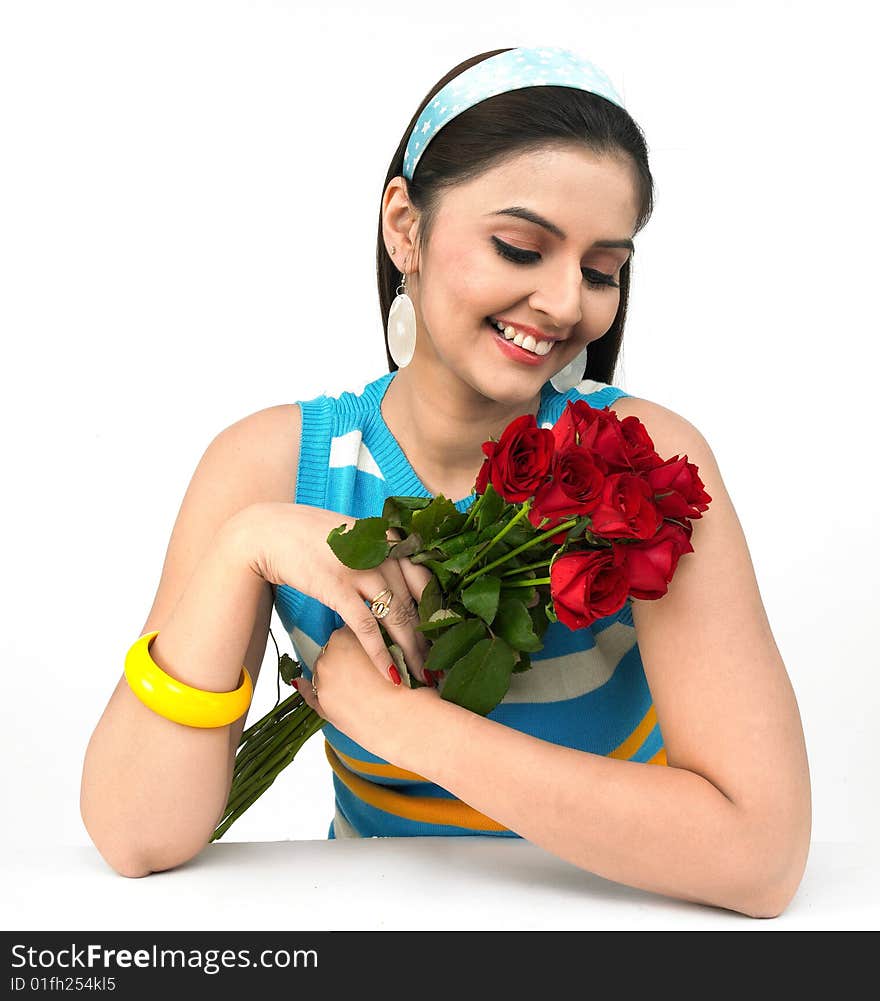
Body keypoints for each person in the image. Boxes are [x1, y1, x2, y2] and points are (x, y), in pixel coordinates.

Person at [80, 45, 811, 918]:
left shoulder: (641, 464)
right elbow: (136, 834)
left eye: (601, 269)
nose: (565, 302)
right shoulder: (268, 469)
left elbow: (760, 857)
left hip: (624, 918)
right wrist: (247, 546)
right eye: (519, 246)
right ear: (406, 227)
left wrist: (407, 725)